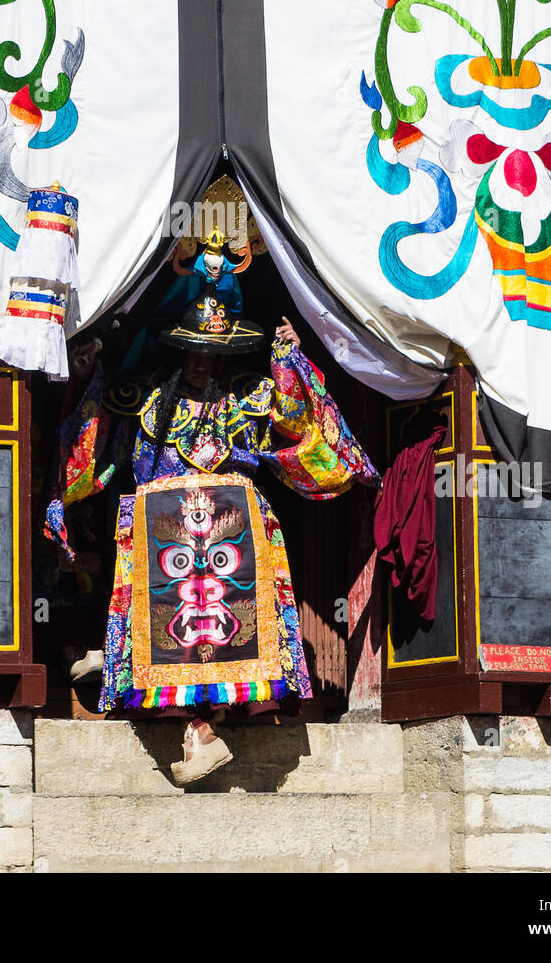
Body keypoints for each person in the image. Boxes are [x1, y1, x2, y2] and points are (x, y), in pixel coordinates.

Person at [46, 295, 380, 785]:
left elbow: (295, 429)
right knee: (176, 626)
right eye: (194, 351)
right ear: (179, 350)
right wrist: (82, 374)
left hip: (233, 534)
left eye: (212, 353)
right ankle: (199, 728)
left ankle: (205, 726)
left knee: (227, 627)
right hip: (164, 536)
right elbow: (100, 442)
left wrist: (287, 361)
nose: (202, 362)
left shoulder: (250, 395)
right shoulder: (145, 397)